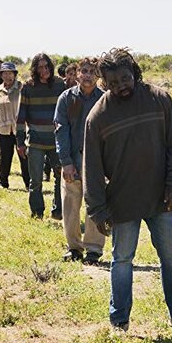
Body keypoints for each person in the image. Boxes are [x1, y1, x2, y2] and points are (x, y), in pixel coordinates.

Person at [83, 48, 172, 337]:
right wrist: (97, 209)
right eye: (113, 82)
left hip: (163, 199)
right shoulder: (98, 117)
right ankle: (119, 322)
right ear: (104, 84)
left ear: (134, 72)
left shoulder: (159, 99)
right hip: (122, 202)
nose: (122, 85)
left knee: (171, 258)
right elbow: (92, 168)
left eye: (126, 78)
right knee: (122, 261)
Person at [54, 58, 105, 263]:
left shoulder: (104, 99)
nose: (88, 75)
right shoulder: (66, 98)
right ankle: (74, 248)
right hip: (72, 160)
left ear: (99, 76)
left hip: (97, 162)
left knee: (95, 204)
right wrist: (65, 161)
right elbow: (60, 130)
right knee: (70, 205)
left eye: (93, 72)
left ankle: (93, 249)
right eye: (84, 71)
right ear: (76, 73)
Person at [17, 53, 66, 219]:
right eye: (40, 67)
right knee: (36, 180)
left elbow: (67, 112)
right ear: (35, 70)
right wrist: (20, 142)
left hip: (57, 140)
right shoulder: (28, 87)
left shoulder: (60, 84)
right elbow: (21, 117)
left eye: (46, 67)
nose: (44, 70)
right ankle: (37, 212)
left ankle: (58, 210)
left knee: (60, 177)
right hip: (36, 141)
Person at [0, 62, 29, 190]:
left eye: (10, 73)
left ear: (15, 74)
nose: (7, 76)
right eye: (4, 73)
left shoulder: (22, 87)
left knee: (24, 157)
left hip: (20, 129)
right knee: (4, 157)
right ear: (1, 75)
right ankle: (3, 182)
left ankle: (29, 183)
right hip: (3, 129)